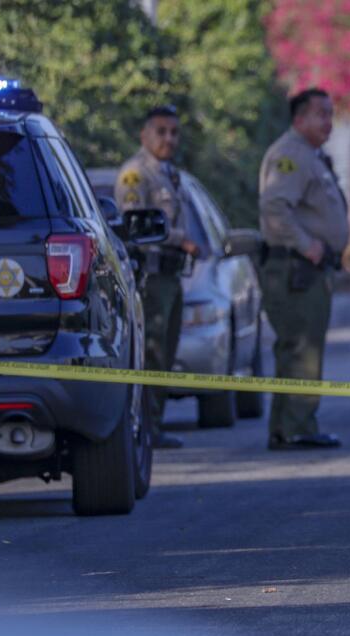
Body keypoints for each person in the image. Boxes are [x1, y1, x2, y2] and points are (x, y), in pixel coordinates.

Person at [257, 88, 349, 451]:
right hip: (294, 268)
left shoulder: (311, 154)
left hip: (308, 270)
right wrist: (307, 245)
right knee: (301, 348)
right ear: (299, 119)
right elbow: (275, 207)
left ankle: (289, 426)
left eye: (330, 113)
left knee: (300, 347)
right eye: (321, 114)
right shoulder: (290, 155)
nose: (328, 122)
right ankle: (295, 428)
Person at [116, 105, 200, 450]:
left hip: (170, 276)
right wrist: (181, 239)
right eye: (161, 131)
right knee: (150, 353)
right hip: (150, 277)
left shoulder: (169, 174)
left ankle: (155, 424)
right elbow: (137, 224)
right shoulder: (136, 175)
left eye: (174, 132)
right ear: (144, 135)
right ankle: (144, 427)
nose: (168, 139)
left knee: (164, 353)